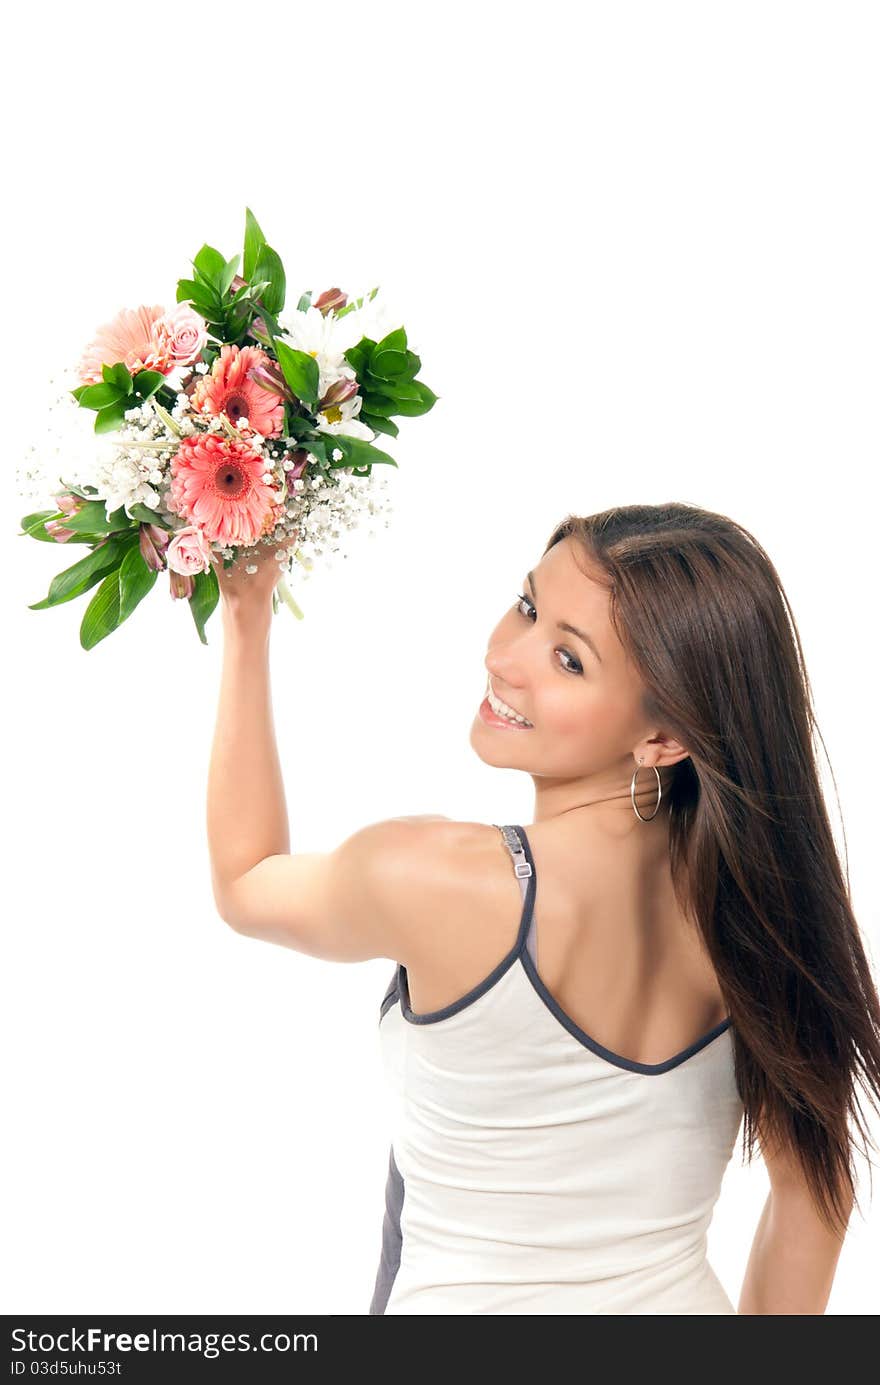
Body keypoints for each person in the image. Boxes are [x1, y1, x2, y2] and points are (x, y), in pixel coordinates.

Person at [206, 501, 880, 1314]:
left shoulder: (436, 876)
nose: (506, 658)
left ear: (664, 738)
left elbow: (246, 882)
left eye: (568, 659)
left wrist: (247, 620)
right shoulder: (757, 910)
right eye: (527, 606)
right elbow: (817, 1196)